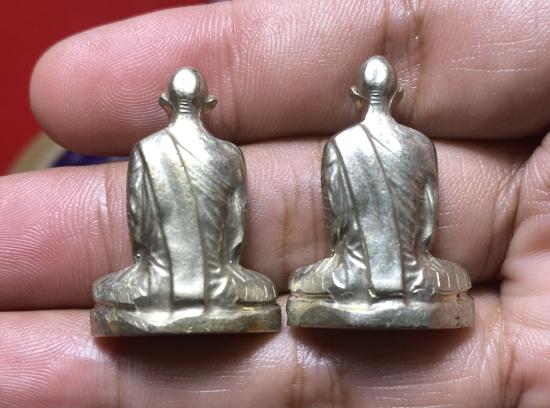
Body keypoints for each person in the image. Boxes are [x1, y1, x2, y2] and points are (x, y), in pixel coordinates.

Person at [1, 0, 550, 406]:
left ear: (167, 103)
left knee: (302, 282)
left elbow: (143, 221)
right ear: (208, 102)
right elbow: (421, 215)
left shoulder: (155, 151)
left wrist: (158, 265)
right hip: (406, 271)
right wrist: (412, 257)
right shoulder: (413, 145)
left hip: (193, 275)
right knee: (263, 287)